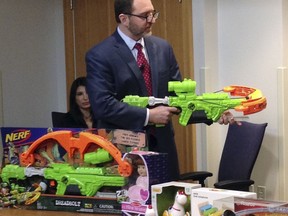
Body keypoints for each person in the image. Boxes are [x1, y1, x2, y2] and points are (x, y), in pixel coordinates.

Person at [85, 0, 237, 181]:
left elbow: (177, 100)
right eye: (144, 16)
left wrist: (212, 112)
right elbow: (103, 105)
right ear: (124, 19)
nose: (152, 20)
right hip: (125, 151)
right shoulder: (100, 55)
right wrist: (149, 115)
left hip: (164, 148)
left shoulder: (163, 48)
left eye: (153, 13)